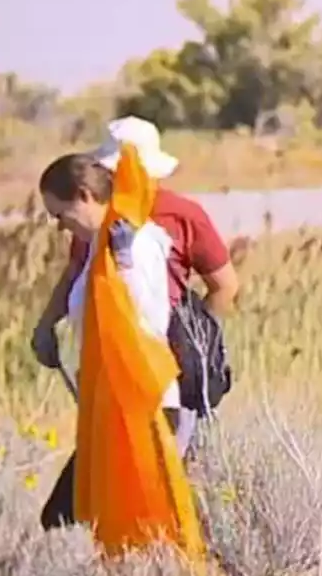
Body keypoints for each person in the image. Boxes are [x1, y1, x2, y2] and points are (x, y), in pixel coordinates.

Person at [30, 117, 239, 529]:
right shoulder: (96, 227)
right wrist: (46, 325)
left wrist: (192, 349)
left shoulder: (174, 218)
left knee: (147, 507)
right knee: (101, 511)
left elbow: (224, 286)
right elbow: (76, 277)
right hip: (116, 386)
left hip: (157, 383)